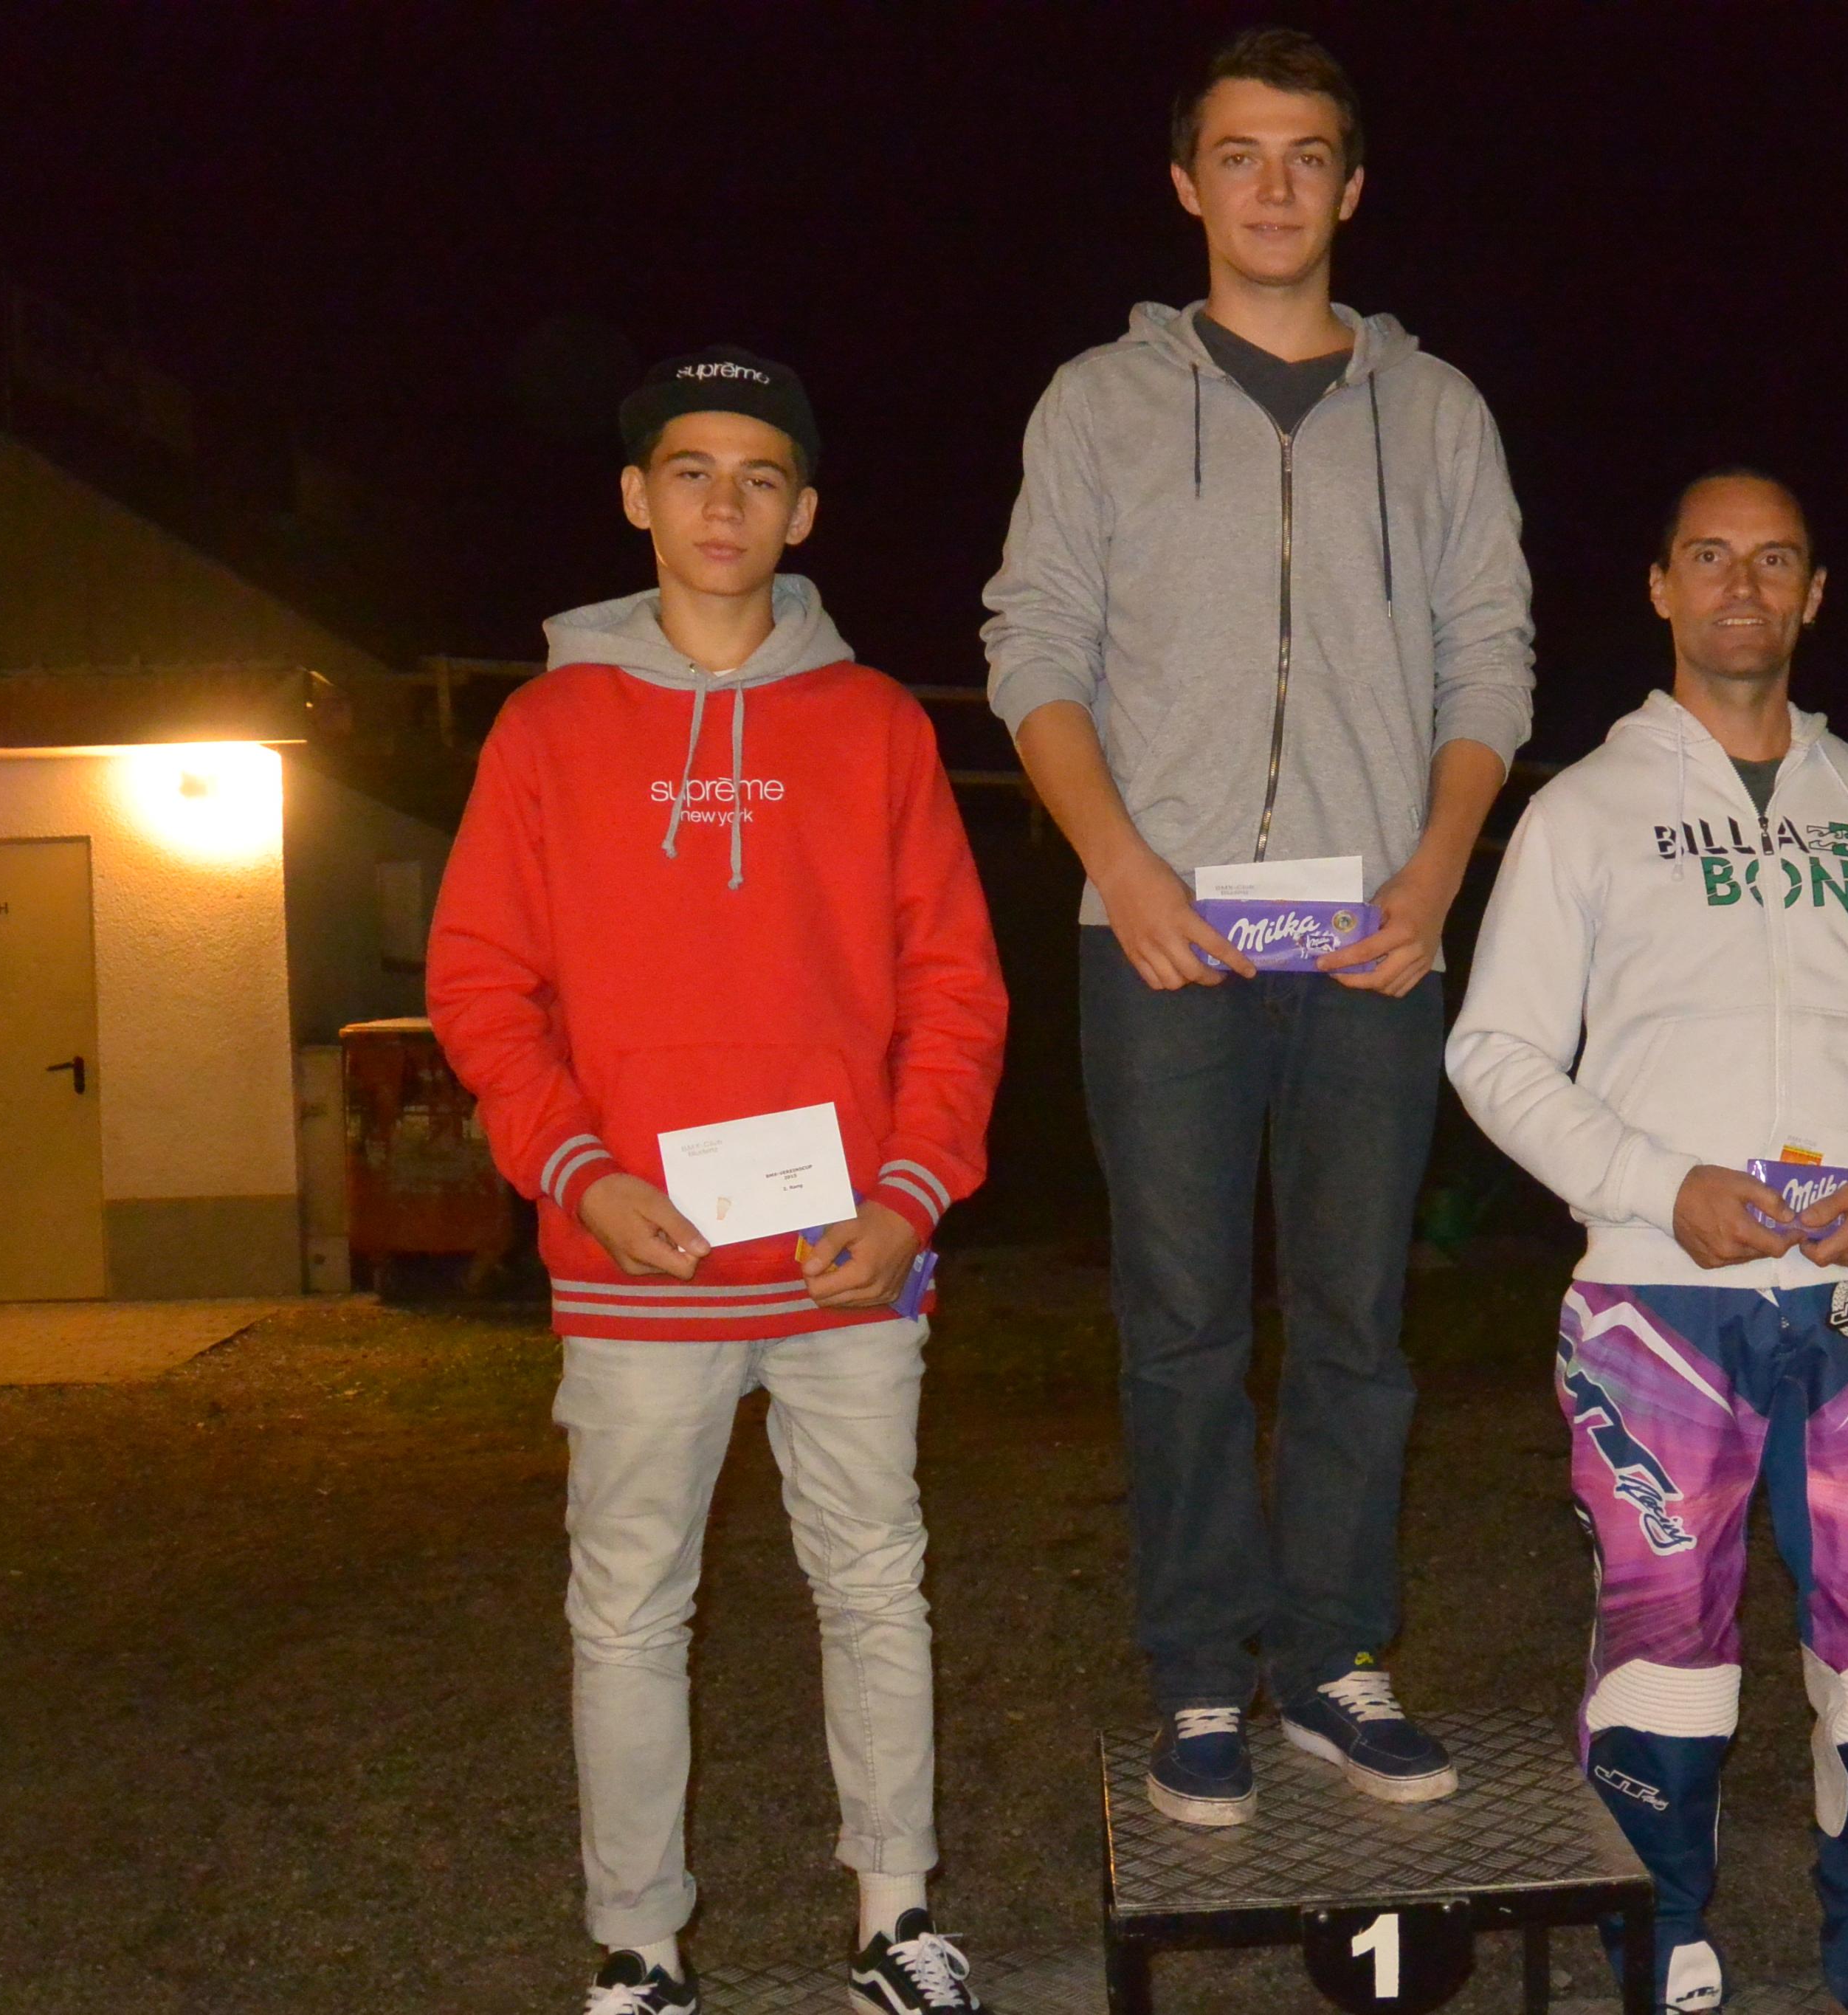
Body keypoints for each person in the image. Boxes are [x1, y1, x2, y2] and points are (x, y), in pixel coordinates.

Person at [980, 26, 1534, 1825]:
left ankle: (1336, 1659)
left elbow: (1488, 660)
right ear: (1185, 184)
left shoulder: (1436, 413)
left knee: (1358, 1320)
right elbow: (1032, 651)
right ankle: (1199, 1678)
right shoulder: (1096, 405)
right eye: (1239, 154)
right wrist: (1125, 868)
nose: (1273, 186)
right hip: (1162, 941)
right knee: (1182, 1325)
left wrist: (1434, 876)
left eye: (1306, 156)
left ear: (1351, 188)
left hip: (1372, 939)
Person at [428, 347, 1010, 2015]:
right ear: (637, 497)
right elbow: (480, 982)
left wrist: (906, 1197)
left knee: (875, 1586)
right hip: (638, 1263)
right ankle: (639, 1950)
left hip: (844, 1260)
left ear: (803, 513)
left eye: (761, 477)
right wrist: (581, 1175)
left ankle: (895, 1919)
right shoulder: (547, 728)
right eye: (690, 471)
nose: (723, 505)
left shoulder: (877, 725)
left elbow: (954, 987)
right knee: (627, 1612)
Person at [1444, 472, 1848, 2014]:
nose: (1741, 587)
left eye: (1773, 561)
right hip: (1656, 1304)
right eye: (1710, 557)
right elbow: (1493, 1052)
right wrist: (1654, 1182)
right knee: (1664, 1651)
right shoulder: (1581, 811)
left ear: (1813, 595)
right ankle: (1660, 1939)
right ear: (1659, 587)